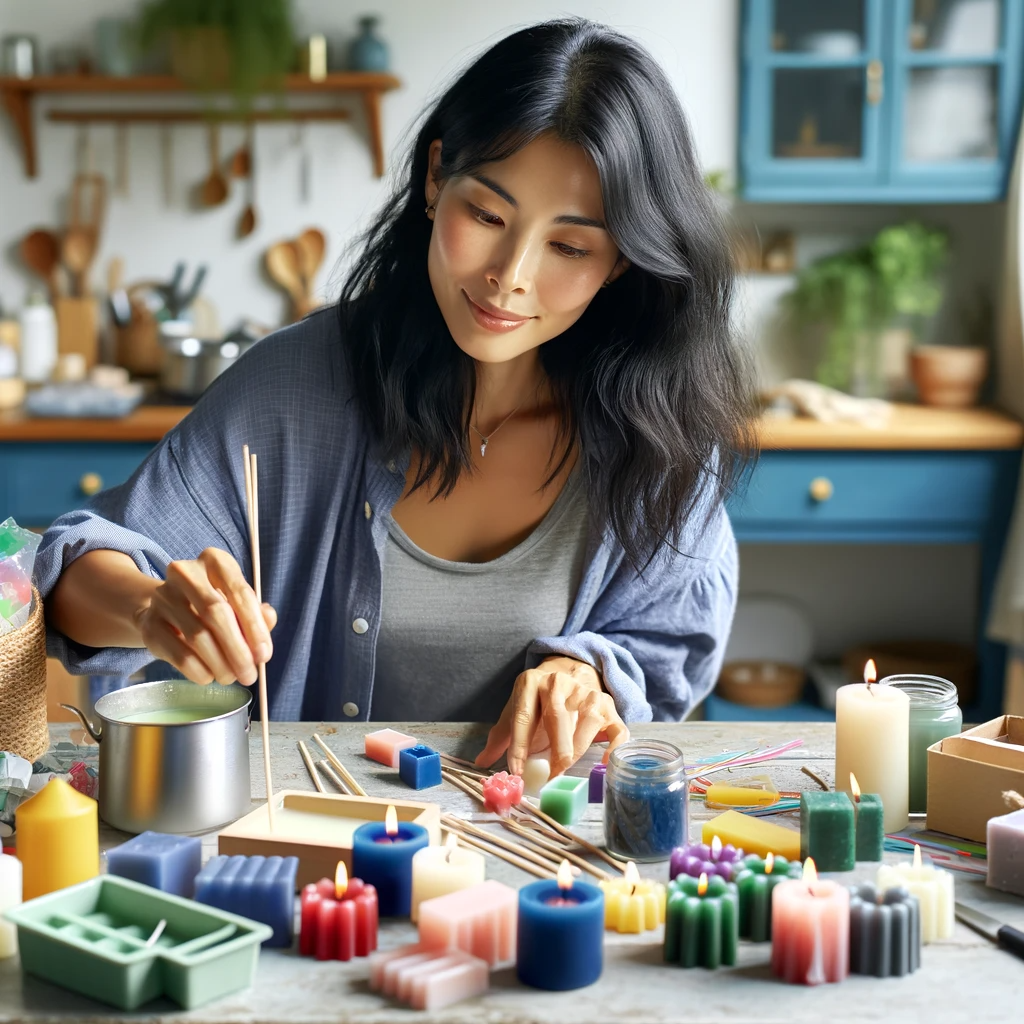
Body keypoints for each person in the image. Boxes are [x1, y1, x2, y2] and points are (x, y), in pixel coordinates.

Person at [38, 18, 754, 778]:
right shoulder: (295, 386)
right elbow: (78, 571)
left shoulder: (662, 433)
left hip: (539, 863)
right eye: (486, 215)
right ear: (436, 177)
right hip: (306, 851)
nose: (511, 275)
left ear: (620, 263)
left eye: (570, 247)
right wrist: (151, 610)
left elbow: (670, 649)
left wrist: (590, 676)